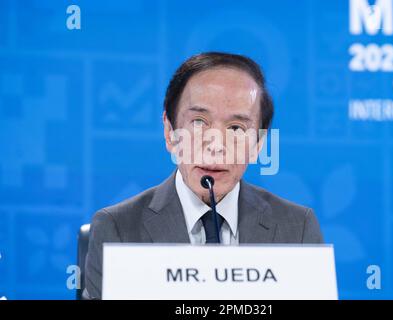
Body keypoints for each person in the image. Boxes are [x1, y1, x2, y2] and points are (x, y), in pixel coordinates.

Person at [84, 52, 323, 299]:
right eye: (199, 122)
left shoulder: (298, 228)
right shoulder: (118, 230)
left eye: (236, 128)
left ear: (258, 144)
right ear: (169, 131)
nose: (216, 145)